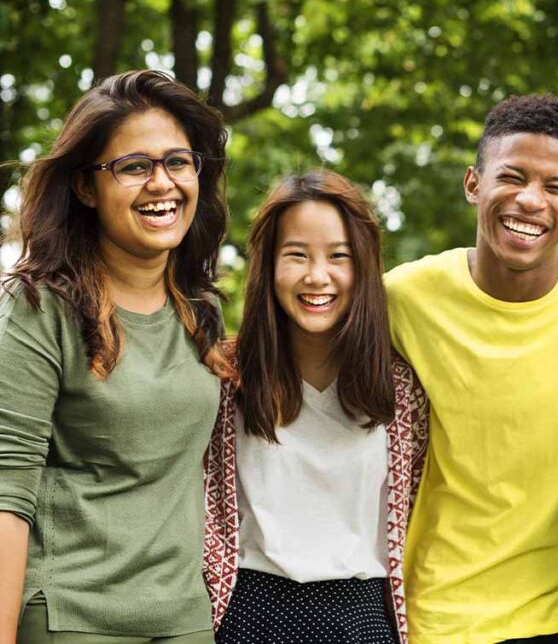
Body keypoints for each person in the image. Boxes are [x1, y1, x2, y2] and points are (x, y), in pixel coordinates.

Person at [385, 94, 558, 643]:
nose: (531, 201)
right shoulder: (405, 296)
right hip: (443, 614)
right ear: (473, 184)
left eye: (555, 188)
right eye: (512, 177)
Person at [0, 70, 232, 643]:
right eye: (134, 167)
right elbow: (6, 496)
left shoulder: (201, 312)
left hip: (183, 617)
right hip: (71, 616)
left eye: (178, 161)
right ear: (85, 187)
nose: (163, 183)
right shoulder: (36, 307)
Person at [201, 170, 429, 644]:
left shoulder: (401, 390)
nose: (317, 276)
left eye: (338, 257)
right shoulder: (224, 377)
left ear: (363, 266)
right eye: (297, 255)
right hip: (248, 615)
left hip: (363, 620)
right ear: (269, 265)